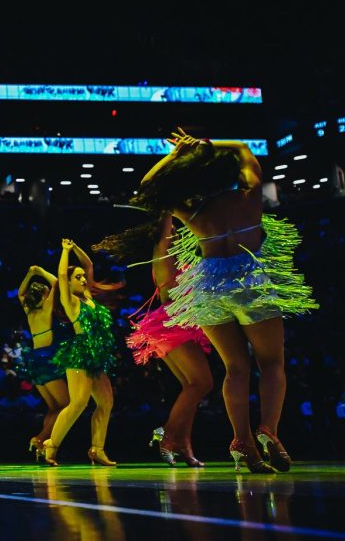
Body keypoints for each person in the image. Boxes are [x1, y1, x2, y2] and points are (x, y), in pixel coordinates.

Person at [132, 128, 317, 472]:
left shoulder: (193, 210)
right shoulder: (250, 196)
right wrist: (205, 143)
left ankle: (242, 441)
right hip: (249, 281)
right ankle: (269, 432)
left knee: (235, 367)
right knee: (272, 363)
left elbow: (146, 189)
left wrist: (177, 155)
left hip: (209, 285)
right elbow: (245, 145)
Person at [95, 216, 214, 466]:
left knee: (191, 385)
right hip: (173, 324)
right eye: (178, 233)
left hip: (181, 324)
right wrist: (169, 205)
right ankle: (168, 436)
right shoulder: (163, 252)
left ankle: (183, 444)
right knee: (201, 383)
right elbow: (166, 230)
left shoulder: (182, 258)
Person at [42, 239, 121, 467]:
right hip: (79, 352)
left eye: (83, 277)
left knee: (106, 403)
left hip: (97, 355)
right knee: (78, 403)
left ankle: (97, 449)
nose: (84, 279)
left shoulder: (89, 297)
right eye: (78, 278)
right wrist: (65, 252)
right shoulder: (71, 301)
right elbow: (62, 275)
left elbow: (88, 265)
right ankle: (51, 444)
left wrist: (76, 247)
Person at [14, 265, 69, 460]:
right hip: (47, 359)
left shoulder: (29, 310)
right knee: (66, 405)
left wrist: (30, 273)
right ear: (44, 296)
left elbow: (20, 293)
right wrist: (40, 272)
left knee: (54, 407)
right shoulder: (45, 308)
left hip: (33, 360)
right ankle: (40, 439)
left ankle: (42, 445)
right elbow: (56, 282)